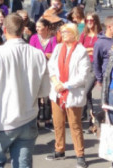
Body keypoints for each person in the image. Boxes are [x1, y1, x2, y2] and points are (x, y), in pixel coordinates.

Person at [0, 14, 50, 168]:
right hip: (28, 118)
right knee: (23, 164)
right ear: (23, 29)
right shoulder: (37, 54)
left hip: (2, 121)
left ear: (4, 30)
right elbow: (44, 91)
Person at [45, 23, 91, 168]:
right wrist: (55, 81)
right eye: (62, 31)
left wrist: (64, 85)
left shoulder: (81, 51)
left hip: (72, 92)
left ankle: (80, 154)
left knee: (75, 126)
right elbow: (51, 66)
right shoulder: (58, 48)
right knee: (58, 124)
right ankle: (59, 150)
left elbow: (83, 76)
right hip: (57, 92)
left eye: (66, 32)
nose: (62, 34)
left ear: (73, 33)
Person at [80, 13, 102, 132]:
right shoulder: (84, 35)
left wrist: (89, 50)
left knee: (85, 91)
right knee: (87, 95)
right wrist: (89, 50)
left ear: (96, 21)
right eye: (87, 20)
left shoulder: (100, 35)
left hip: (95, 66)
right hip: (84, 65)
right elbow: (79, 49)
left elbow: (100, 51)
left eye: (91, 20)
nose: (89, 22)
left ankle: (94, 119)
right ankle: (91, 122)